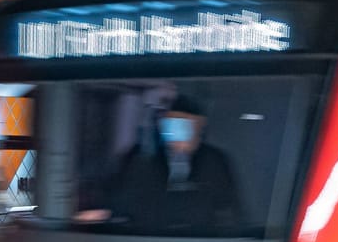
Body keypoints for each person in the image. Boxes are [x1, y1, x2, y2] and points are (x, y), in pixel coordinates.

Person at [99, 95, 244, 234]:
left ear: (199, 126)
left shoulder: (215, 162)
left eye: (185, 125)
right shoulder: (140, 160)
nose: (175, 132)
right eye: (170, 125)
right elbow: (120, 204)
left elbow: (231, 212)